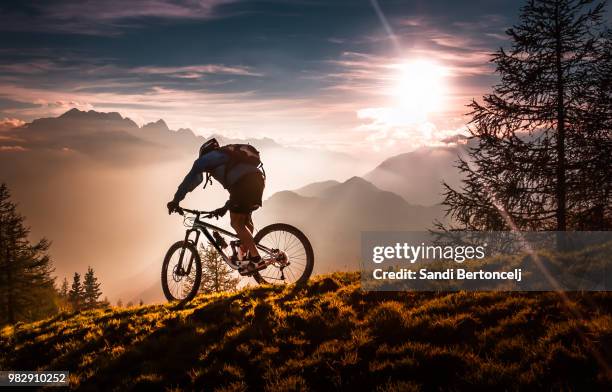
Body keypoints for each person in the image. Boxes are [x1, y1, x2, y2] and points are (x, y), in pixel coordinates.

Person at [167, 138, 266, 272]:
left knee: (236, 223)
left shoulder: (206, 159)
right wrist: (225, 207)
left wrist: (175, 201)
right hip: (258, 180)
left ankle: (256, 259)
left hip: (243, 184)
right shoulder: (228, 157)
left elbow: (190, 179)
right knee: (246, 221)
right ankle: (245, 258)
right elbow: (235, 187)